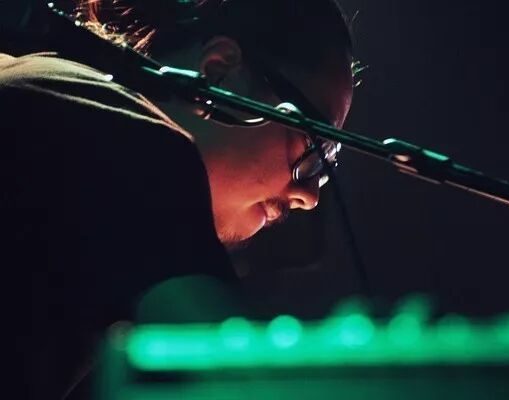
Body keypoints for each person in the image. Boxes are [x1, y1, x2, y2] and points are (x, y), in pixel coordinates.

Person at [1, 0, 356, 398]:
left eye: (328, 163)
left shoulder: (51, 100)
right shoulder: (122, 132)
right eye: (314, 146)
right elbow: (238, 384)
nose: (309, 196)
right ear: (218, 74)